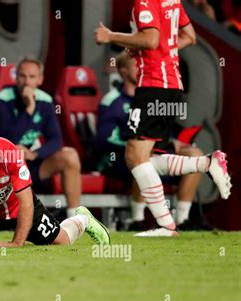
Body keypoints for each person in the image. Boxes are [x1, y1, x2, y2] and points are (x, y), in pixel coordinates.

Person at [94, 0, 231, 236]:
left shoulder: (144, 2)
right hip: (173, 88)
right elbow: (189, 36)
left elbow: (151, 39)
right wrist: (158, 51)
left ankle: (167, 225)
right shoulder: (172, 1)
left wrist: (111, 36)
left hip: (153, 87)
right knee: (148, 158)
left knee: (135, 157)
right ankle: (207, 164)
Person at [0, 112, 110, 247]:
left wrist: (17, 243)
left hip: (19, 208)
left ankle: (84, 219)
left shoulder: (9, 153)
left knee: (62, 241)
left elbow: (27, 202)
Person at [95, 52, 207, 231]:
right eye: (136, 66)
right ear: (123, 72)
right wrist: (141, 146)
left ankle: (182, 220)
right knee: (143, 157)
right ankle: (136, 220)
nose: (142, 69)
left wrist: (171, 142)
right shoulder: (112, 101)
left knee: (195, 155)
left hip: (154, 151)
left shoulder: (150, 98)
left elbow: (157, 132)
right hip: (117, 159)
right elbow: (104, 140)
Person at [0, 57, 82, 219]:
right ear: (16, 78)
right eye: (22, 76)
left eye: (32, 77)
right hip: (2, 165)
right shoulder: (1, 100)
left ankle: (74, 218)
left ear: (40, 80)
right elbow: (10, 138)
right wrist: (30, 109)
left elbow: (56, 139)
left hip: (28, 164)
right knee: (14, 151)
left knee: (70, 156)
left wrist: (35, 154)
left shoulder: (45, 101)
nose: (26, 82)